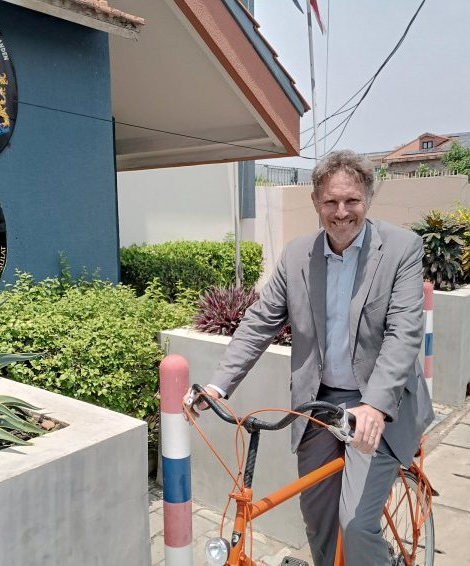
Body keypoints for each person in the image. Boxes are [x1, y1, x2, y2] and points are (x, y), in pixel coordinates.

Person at [186, 149, 434, 566]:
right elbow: (260, 321)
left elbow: (403, 332)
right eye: (330, 201)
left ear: (368, 198)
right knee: (318, 519)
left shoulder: (401, 248)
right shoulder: (298, 254)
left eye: (352, 200)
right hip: (319, 404)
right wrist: (216, 386)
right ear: (316, 201)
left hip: (377, 404)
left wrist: (375, 405)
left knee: (355, 524)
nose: (341, 212)